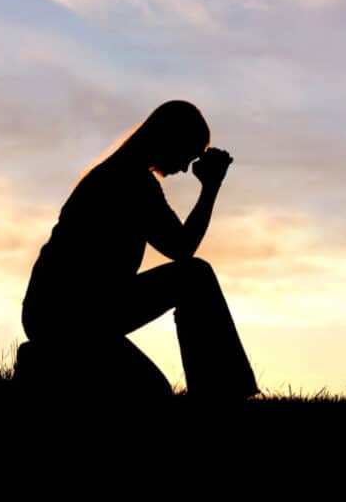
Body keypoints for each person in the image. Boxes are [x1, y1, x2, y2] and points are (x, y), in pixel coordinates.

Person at [16, 100, 260, 403]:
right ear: (170, 139)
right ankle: (223, 396)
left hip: (68, 314)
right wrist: (210, 188)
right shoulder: (130, 180)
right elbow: (182, 248)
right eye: (188, 153)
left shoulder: (124, 174)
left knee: (152, 391)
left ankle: (43, 362)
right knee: (195, 276)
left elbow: (178, 245)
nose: (186, 167)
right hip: (70, 313)